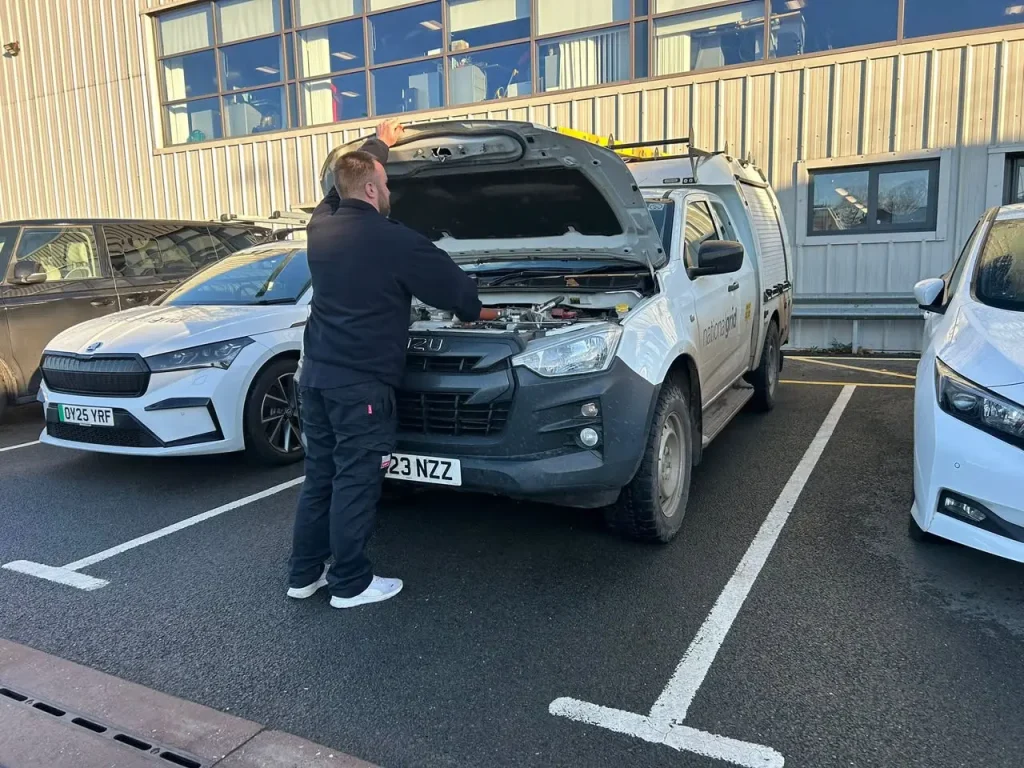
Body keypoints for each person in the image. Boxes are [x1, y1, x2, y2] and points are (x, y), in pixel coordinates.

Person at [287, 119, 483, 609]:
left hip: (315, 379)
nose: (390, 190)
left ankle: (303, 574)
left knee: (321, 478)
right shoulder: (395, 240)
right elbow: (458, 294)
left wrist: (379, 144)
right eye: (387, 182)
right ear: (373, 188)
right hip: (360, 388)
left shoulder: (320, 225)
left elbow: (340, 179)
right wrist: (480, 312)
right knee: (356, 478)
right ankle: (350, 583)